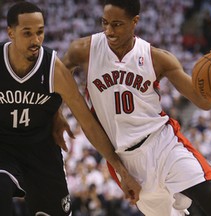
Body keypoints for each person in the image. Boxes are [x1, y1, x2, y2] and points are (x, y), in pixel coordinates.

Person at [62, 0, 211, 215]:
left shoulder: (157, 58)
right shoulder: (84, 50)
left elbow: (203, 101)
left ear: (134, 22)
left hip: (162, 143)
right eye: (105, 23)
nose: (109, 30)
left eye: (117, 24)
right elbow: (57, 76)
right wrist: (56, 114)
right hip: (124, 159)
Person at [0, 2, 141, 216]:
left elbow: (87, 123)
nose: (36, 40)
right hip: (4, 146)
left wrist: (122, 171)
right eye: (27, 33)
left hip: (41, 150)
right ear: (11, 32)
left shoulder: (53, 69)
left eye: (40, 32)